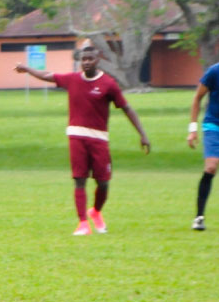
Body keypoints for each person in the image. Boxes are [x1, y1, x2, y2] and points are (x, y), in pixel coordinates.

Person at [15, 46, 150, 235]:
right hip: (77, 136)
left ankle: (95, 212)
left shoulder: (108, 84)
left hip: (99, 139)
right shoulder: (73, 80)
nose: (86, 62)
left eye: (90, 59)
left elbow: (127, 108)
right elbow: (48, 75)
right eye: (83, 59)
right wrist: (27, 69)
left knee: (103, 183)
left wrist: (142, 134)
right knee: (80, 180)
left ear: (97, 60)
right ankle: (82, 223)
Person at [186, 60, 219, 230]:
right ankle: (199, 217)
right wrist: (192, 129)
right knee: (211, 167)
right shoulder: (214, 71)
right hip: (214, 125)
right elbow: (197, 97)